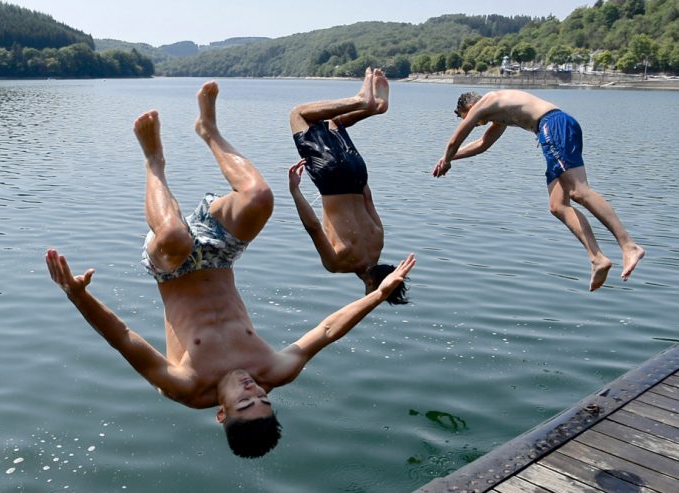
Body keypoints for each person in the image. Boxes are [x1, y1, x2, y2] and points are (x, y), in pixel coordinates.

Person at [46, 80, 416, 459]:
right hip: (221, 256)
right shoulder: (273, 372)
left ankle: (154, 162)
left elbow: (123, 338)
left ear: (221, 414)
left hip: (171, 268)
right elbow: (326, 331)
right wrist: (377, 294)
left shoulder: (186, 387)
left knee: (174, 234)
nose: (252, 390)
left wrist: (78, 295)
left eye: (244, 402)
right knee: (260, 198)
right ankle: (209, 131)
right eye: (262, 400)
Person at [432, 89, 644, 291]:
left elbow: (455, 139)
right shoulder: (498, 114)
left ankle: (628, 246)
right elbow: (482, 144)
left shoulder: (488, 101)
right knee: (558, 206)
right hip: (554, 130)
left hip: (553, 126)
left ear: (470, 106)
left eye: (467, 118)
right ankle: (597, 258)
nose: (475, 124)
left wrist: (448, 158)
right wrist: (449, 158)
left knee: (579, 191)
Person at [288, 68, 409, 304]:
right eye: (374, 295)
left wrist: (350, 169)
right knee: (298, 114)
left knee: (333, 122)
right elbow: (313, 226)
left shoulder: (378, 242)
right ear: (372, 284)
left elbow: (368, 198)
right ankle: (361, 101)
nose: (370, 298)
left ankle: (375, 107)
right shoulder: (338, 264)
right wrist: (295, 190)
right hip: (331, 178)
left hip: (357, 173)